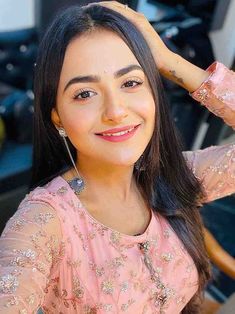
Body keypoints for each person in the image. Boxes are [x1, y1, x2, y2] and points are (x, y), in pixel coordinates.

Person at [0, 1, 234, 313]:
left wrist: (168, 60)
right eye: (85, 93)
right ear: (57, 117)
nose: (116, 111)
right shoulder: (42, 225)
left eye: (131, 82)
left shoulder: (177, 176)